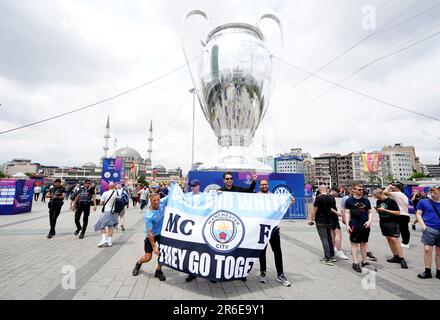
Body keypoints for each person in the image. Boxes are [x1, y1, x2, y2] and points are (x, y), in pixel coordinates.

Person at [258, 179, 292, 287]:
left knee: (277, 252)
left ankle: (280, 274)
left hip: (274, 228)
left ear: (268, 185)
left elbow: (283, 208)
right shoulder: (255, 197)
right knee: (262, 252)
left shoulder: (274, 197)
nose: (264, 186)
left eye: (266, 184)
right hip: (261, 228)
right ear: (259, 186)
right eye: (262, 184)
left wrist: (290, 202)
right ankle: (263, 272)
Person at [132, 193, 168, 281]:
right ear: (151, 201)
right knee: (148, 257)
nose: (157, 202)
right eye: (154, 200)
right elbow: (150, 232)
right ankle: (138, 263)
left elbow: (171, 195)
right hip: (151, 236)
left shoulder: (162, 202)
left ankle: (158, 271)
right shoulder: (149, 216)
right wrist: (154, 247)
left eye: (158, 200)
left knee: (163, 253)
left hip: (161, 235)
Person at [372, 188, 408, 269]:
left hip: (392, 222)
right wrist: (378, 210)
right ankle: (395, 256)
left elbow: (398, 213)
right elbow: (380, 211)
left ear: (381, 194)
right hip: (383, 222)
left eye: (376, 196)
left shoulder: (391, 201)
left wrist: (385, 210)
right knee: (388, 239)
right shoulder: (378, 201)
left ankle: (402, 258)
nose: (375, 198)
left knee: (394, 239)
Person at [344, 183, 376, 273]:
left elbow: (370, 212)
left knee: (364, 243)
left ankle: (365, 262)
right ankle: (355, 262)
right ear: (354, 190)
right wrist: (347, 224)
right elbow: (347, 213)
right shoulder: (349, 201)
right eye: (359, 189)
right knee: (354, 244)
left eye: (362, 189)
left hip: (365, 225)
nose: (361, 191)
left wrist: (370, 221)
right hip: (354, 224)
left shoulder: (366, 200)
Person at [415, 186, 440, 279]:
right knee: (427, 249)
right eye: (431, 193)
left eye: (435, 193)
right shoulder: (424, 202)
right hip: (429, 228)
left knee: (439, 251)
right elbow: (418, 214)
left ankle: (439, 271)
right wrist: (424, 226)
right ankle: (427, 271)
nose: (432, 195)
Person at [309, 185, 338, 266]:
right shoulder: (331, 197)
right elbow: (332, 208)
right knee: (329, 238)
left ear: (319, 190)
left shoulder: (319, 198)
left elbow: (314, 209)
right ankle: (332, 256)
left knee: (324, 239)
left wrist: (310, 219)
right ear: (326, 189)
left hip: (321, 221)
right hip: (329, 220)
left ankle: (327, 258)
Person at [384, 182, 411, 248]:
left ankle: (405, 243)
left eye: (393, 187)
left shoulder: (397, 193)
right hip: (404, 214)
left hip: (402, 214)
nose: (392, 188)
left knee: (404, 229)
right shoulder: (401, 194)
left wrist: (389, 186)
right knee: (403, 229)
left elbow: (384, 192)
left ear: (396, 187)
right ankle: (405, 242)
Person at [94, 182, 118, 247]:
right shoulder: (116, 193)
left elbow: (101, 203)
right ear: (114, 187)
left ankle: (104, 239)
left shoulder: (105, 193)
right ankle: (109, 241)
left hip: (107, 211)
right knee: (111, 226)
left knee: (101, 225)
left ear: (108, 187)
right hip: (114, 212)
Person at [329, 187, 348, 260]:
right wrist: (338, 213)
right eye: (337, 192)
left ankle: (334, 248)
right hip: (333, 218)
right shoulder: (330, 198)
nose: (338, 194)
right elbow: (329, 207)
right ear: (333, 191)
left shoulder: (329, 197)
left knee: (333, 234)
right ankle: (339, 251)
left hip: (330, 218)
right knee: (338, 234)